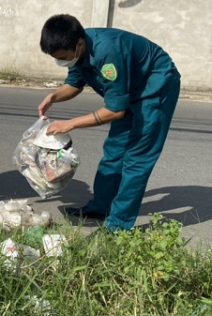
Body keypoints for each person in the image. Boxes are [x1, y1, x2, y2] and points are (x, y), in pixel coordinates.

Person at [38, 14, 180, 231]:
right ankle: (101, 207)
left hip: (155, 88)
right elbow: (75, 84)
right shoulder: (78, 50)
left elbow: (115, 111)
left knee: (136, 159)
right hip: (127, 91)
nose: (62, 62)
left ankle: (119, 225)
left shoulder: (107, 53)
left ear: (79, 44)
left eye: (64, 57)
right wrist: (54, 96)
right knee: (114, 152)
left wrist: (70, 123)